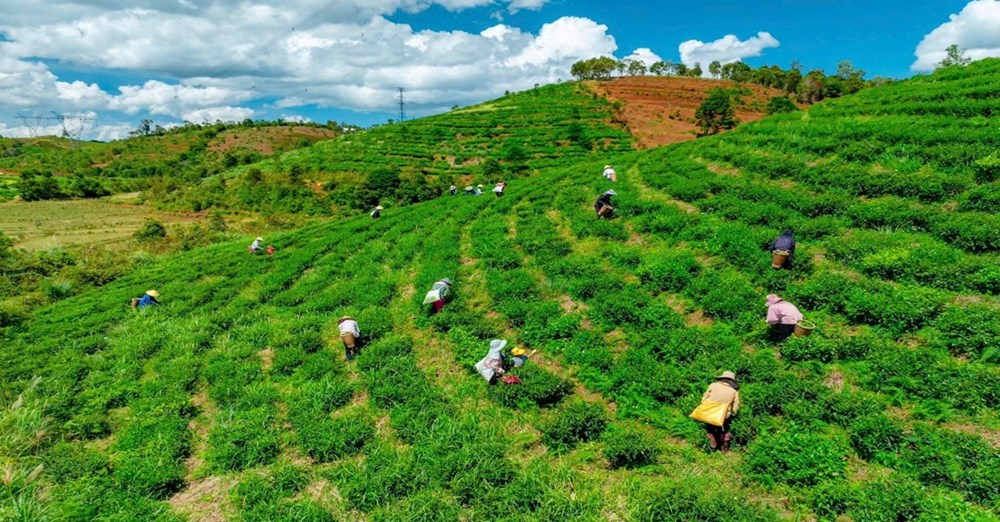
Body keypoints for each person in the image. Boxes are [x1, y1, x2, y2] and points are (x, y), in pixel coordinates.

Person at [700, 371, 741, 452]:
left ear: (722, 378)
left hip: (710, 412)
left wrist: (705, 406)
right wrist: (733, 413)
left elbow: (704, 398)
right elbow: (736, 405)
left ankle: (713, 446)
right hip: (723, 415)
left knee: (710, 429)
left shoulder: (713, 385)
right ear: (732, 381)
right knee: (723, 431)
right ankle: (724, 448)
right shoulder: (734, 391)